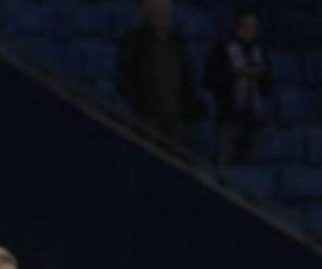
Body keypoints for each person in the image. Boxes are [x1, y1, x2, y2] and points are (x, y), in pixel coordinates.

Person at [116, 0, 206, 143]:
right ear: (148, 14)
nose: (163, 16)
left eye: (165, 12)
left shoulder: (177, 42)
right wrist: (140, 103)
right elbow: (125, 76)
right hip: (147, 114)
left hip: (175, 113)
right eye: (157, 12)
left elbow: (186, 75)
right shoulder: (134, 41)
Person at [204, 6, 273, 166]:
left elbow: (268, 85)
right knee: (225, 162)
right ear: (237, 27)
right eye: (246, 26)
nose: (250, 31)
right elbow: (209, 80)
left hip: (253, 118)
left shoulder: (260, 51)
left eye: (253, 27)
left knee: (251, 164)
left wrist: (260, 76)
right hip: (229, 118)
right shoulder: (221, 50)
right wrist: (237, 73)